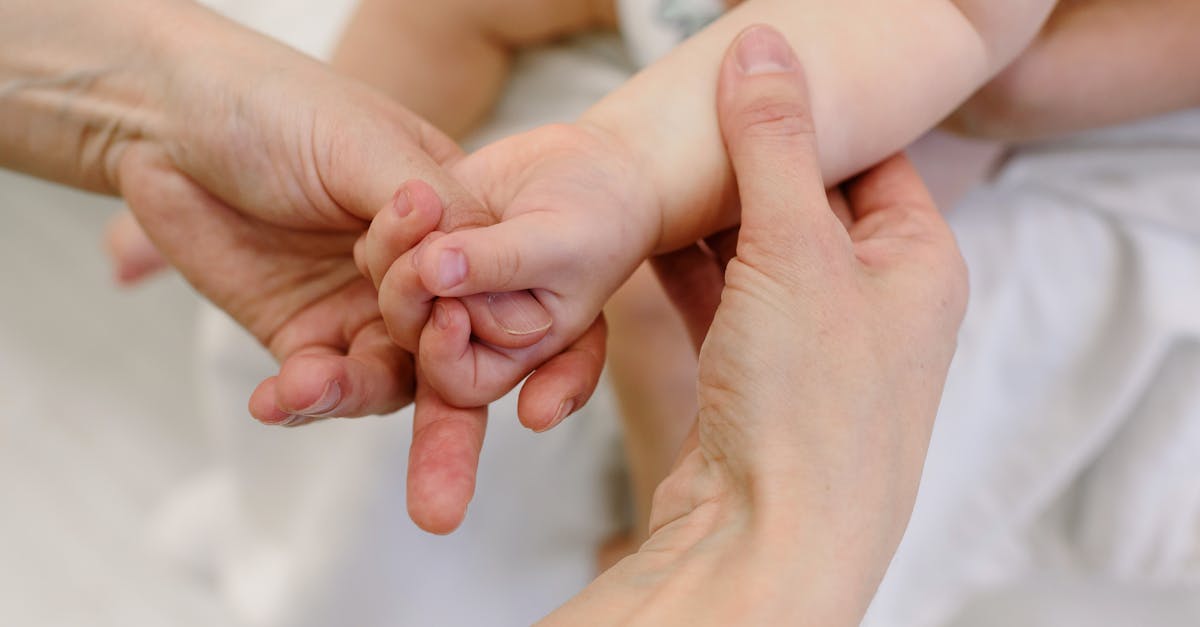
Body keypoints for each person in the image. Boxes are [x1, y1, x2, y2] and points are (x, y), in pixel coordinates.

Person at [541, 28, 967, 624]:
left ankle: (677, 528)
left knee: (656, 305)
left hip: (874, 120)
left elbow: (1004, 61)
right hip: (682, 79)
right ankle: (688, 529)